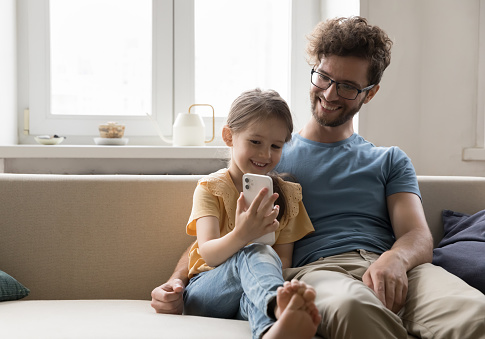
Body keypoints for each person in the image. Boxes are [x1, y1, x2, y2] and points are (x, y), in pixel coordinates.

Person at [152, 16, 485, 338]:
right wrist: (177, 280)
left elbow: (418, 236)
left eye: (348, 87)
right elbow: (221, 230)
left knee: (474, 312)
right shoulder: (270, 156)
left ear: (370, 93)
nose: (329, 93)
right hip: (320, 273)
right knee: (353, 308)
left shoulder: (389, 159)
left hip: (402, 272)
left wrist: (395, 259)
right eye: (323, 77)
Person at [181, 88, 321, 339]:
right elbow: (209, 255)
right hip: (206, 291)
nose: (265, 154)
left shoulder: (287, 196)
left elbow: (283, 262)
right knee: (255, 250)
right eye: (255, 142)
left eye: (276, 146)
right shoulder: (210, 188)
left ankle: (271, 331)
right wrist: (243, 234)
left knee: (255, 292)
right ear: (229, 136)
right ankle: (280, 305)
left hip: (252, 292)